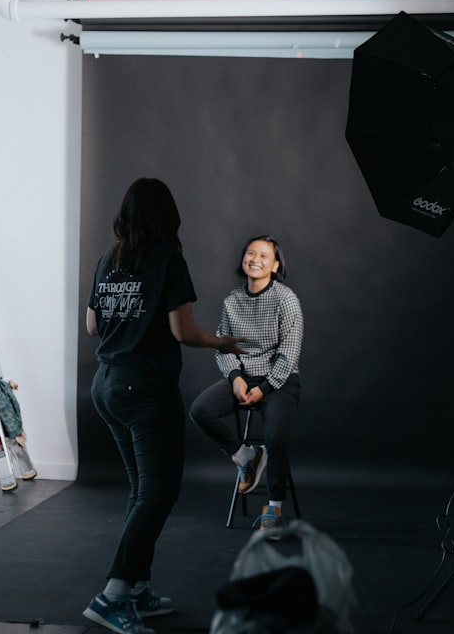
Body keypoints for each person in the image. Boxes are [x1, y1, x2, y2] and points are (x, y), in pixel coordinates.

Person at [84, 177, 246, 634]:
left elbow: (93, 327)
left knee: (141, 491)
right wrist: (224, 342)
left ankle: (135, 590)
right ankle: (112, 596)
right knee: (158, 494)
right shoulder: (167, 259)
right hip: (145, 391)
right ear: (167, 216)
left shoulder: (107, 261)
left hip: (107, 386)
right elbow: (184, 332)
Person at [189, 235, 303, 536]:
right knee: (200, 410)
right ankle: (246, 456)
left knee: (276, 438)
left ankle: (273, 511)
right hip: (243, 377)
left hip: (280, 382)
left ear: (275, 265)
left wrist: (265, 388)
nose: (255, 259)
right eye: (251, 253)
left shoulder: (285, 298)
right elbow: (222, 346)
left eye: (264, 255)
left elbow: (290, 352)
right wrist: (236, 377)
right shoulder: (232, 301)